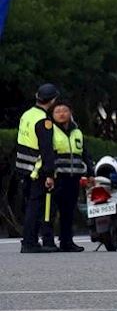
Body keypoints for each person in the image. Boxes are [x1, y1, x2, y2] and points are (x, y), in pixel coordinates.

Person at [15, 83, 60, 254]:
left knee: (30, 205)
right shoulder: (44, 121)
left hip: (23, 167)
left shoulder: (27, 115)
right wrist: (49, 174)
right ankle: (30, 242)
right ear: (53, 100)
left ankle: (29, 240)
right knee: (36, 207)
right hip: (37, 169)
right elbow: (46, 149)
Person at [48, 101, 88, 253]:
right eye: (57, 111)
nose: (61, 114)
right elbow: (47, 154)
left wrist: (89, 172)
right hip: (57, 177)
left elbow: (84, 153)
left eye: (64, 110)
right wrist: (49, 174)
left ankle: (67, 241)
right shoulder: (49, 130)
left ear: (70, 112)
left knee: (69, 211)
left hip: (73, 177)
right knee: (51, 211)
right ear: (52, 115)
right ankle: (48, 241)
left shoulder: (77, 131)